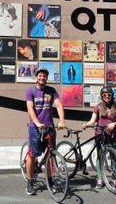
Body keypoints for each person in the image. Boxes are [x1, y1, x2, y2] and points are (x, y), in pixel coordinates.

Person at [24, 68, 66, 196]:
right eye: (40, 76)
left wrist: (62, 121)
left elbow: (58, 105)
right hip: (35, 128)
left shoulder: (51, 90)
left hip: (49, 127)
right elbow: (30, 108)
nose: (42, 78)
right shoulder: (30, 91)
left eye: (45, 76)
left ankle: (50, 180)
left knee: (50, 154)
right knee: (33, 155)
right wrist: (37, 123)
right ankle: (30, 182)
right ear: (37, 77)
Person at [82, 86, 116, 189]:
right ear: (102, 96)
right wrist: (87, 124)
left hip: (114, 134)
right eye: (104, 95)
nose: (107, 97)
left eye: (109, 95)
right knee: (100, 156)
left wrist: (114, 124)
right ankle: (100, 178)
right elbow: (93, 120)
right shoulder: (98, 107)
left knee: (114, 157)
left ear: (112, 96)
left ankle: (114, 179)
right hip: (100, 133)